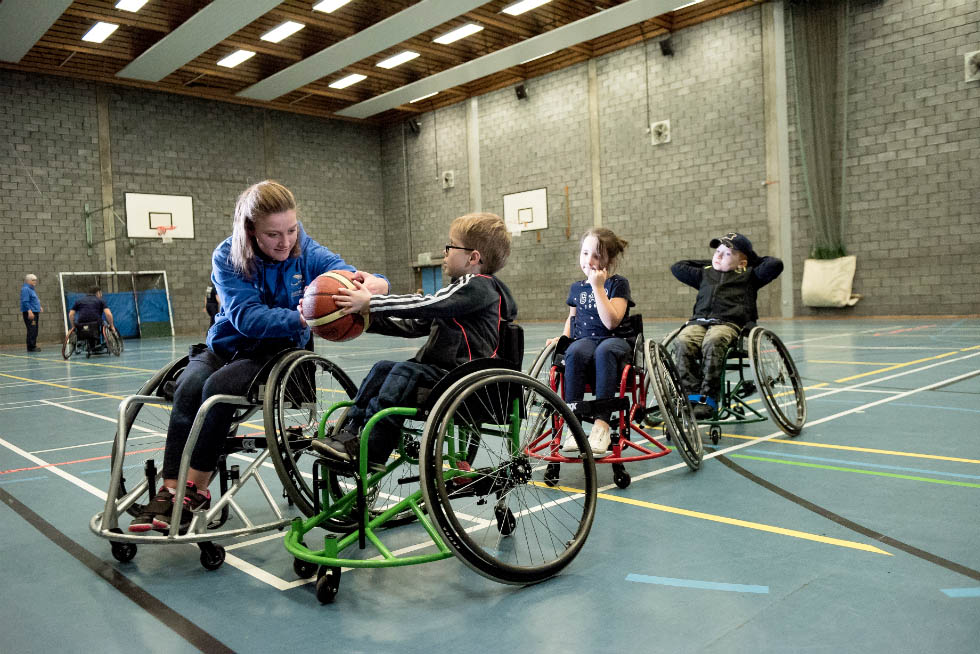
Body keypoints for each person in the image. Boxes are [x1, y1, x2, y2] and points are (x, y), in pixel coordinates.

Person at [128, 180, 389, 533]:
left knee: (217, 390)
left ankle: (196, 490)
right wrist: (302, 315)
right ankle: (170, 489)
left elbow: (360, 277)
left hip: (279, 353)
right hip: (228, 344)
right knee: (190, 386)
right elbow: (246, 317)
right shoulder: (227, 256)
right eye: (273, 234)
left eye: (291, 230)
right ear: (250, 231)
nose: (285, 242)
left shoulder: (306, 251)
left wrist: (375, 285)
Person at [311, 212, 516, 471]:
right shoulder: (462, 289)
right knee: (382, 368)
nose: (445, 251)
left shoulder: (479, 287)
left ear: (473, 257)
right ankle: (350, 431)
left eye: (450, 245)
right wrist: (366, 319)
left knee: (404, 371)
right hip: (444, 373)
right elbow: (415, 325)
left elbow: (424, 304)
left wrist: (372, 302)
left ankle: (374, 447)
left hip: (461, 376)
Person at [670, 232, 783, 419]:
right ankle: (691, 396)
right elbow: (678, 267)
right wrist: (715, 262)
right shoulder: (705, 274)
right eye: (717, 251)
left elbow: (775, 264)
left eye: (728, 253)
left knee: (713, 341)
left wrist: (747, 261)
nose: (719, 255)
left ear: (743, 262)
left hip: (729, 323)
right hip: (700, 322)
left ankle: (708, 399)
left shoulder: (750, 275)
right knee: (683, 341)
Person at [550, 228, 636, 456]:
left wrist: (598, 287)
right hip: (586, 340)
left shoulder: (618, 284)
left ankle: (602, 426)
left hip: (615, 341)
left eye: (597, 255)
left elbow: (611, 322)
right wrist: (563, 337)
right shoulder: (576, 288)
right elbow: (572, 318)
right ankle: (573, 425)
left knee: (605, 350)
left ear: (610, 259)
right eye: (585, 253)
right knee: (575, 351)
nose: (589, 260)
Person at [68, 287, 115, 353]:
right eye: (101, 293)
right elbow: (108, 314)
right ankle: (104, 342)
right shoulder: (101, 301)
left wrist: (73, 326)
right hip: (96, 323)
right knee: (104, 323)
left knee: (83, 327)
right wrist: (112, 325)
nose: (101, 295)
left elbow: (71, 314)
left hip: (81, 324)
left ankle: (78, 342)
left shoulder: (79, 301)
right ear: (98, 293)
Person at [20, 273, 42, 352]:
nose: (35, 281)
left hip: (35, 312)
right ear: (28, 281)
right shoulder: (26, 289)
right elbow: (25, 301)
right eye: (33, 280)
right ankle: (31, 347)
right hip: (30, 313)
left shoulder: (31, 289)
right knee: (32, 329)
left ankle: (33, 345)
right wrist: (29, 311)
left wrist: (39, 307)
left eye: (35, 280)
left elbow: (34, 300)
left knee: (34, 329)